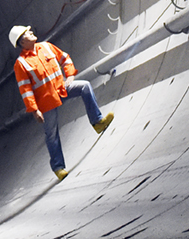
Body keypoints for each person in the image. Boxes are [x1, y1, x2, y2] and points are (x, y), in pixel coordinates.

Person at [9, 25, 113, 180]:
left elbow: (64, 58)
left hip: (61, 89)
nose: (31, 32)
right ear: (22, 42)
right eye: (27, 33)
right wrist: (34, 109)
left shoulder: (46, 47)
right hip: (46, 101)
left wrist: (70, 75)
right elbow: (25, 89)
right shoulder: (21, 64)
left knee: (84, 86)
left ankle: (97, 122)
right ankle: (58, 168)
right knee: (51, 133)